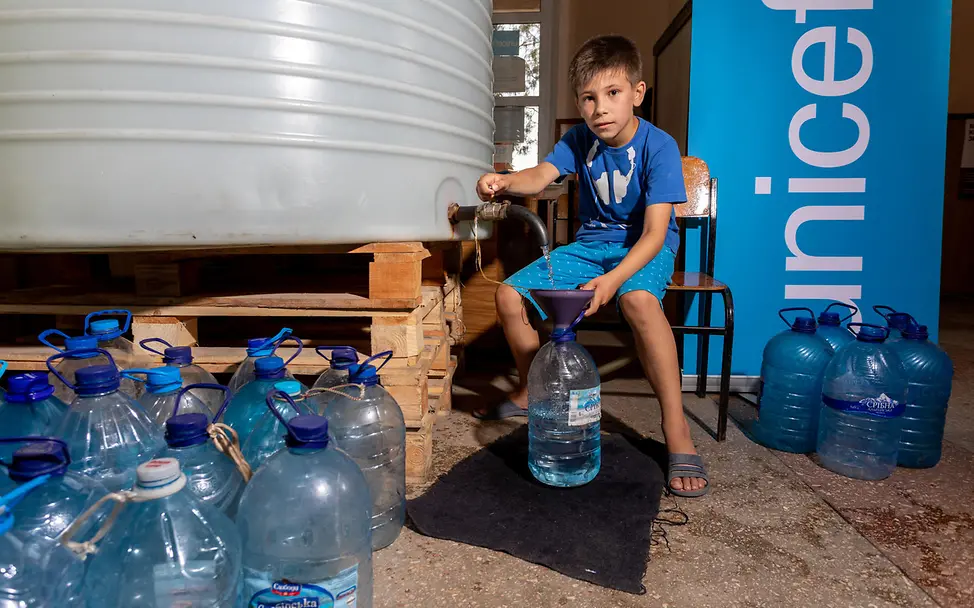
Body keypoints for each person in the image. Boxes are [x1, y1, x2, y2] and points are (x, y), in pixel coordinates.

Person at [474, 35, 708, 498]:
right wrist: (504, 181)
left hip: (642, 246)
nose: (600, 108)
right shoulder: (578, 140)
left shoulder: (659, 147)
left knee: (639, 300)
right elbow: (541, 177)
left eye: (613, 94)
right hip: (589, 246)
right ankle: (531, 391)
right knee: (507, 295)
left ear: (637, 93)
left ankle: (676, 427)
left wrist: (615, 281)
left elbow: (657, 235)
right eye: (589, 98)